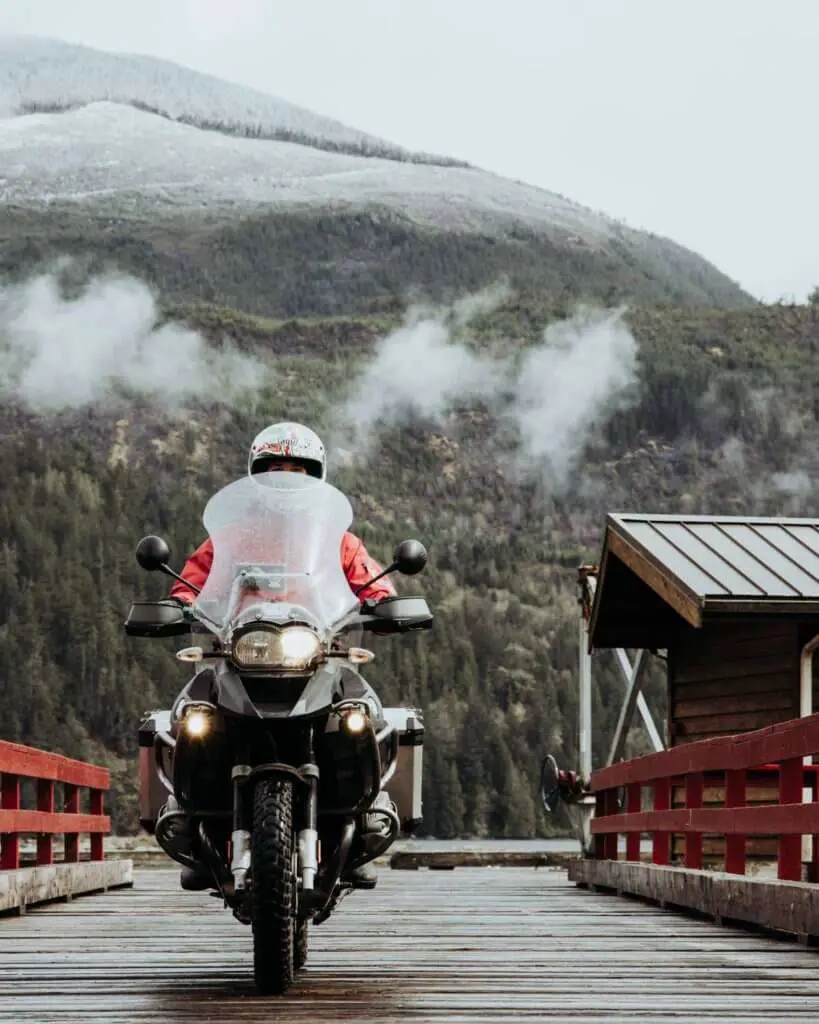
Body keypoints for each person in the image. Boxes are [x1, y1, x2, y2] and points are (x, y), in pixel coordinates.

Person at [167, 422, 396, 892]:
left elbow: (375, 585)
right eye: (274, 469)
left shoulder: (338, 541)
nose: (285, 478)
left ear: (316, 478)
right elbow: (189, 585)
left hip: (318, 652)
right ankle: (193, 819)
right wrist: (175, 606)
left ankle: (363, 817)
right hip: (238, 652)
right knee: (189, 714)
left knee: (362, 713)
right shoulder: (232, 536)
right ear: (257, 476)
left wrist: (385, 603)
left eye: (296, 470)